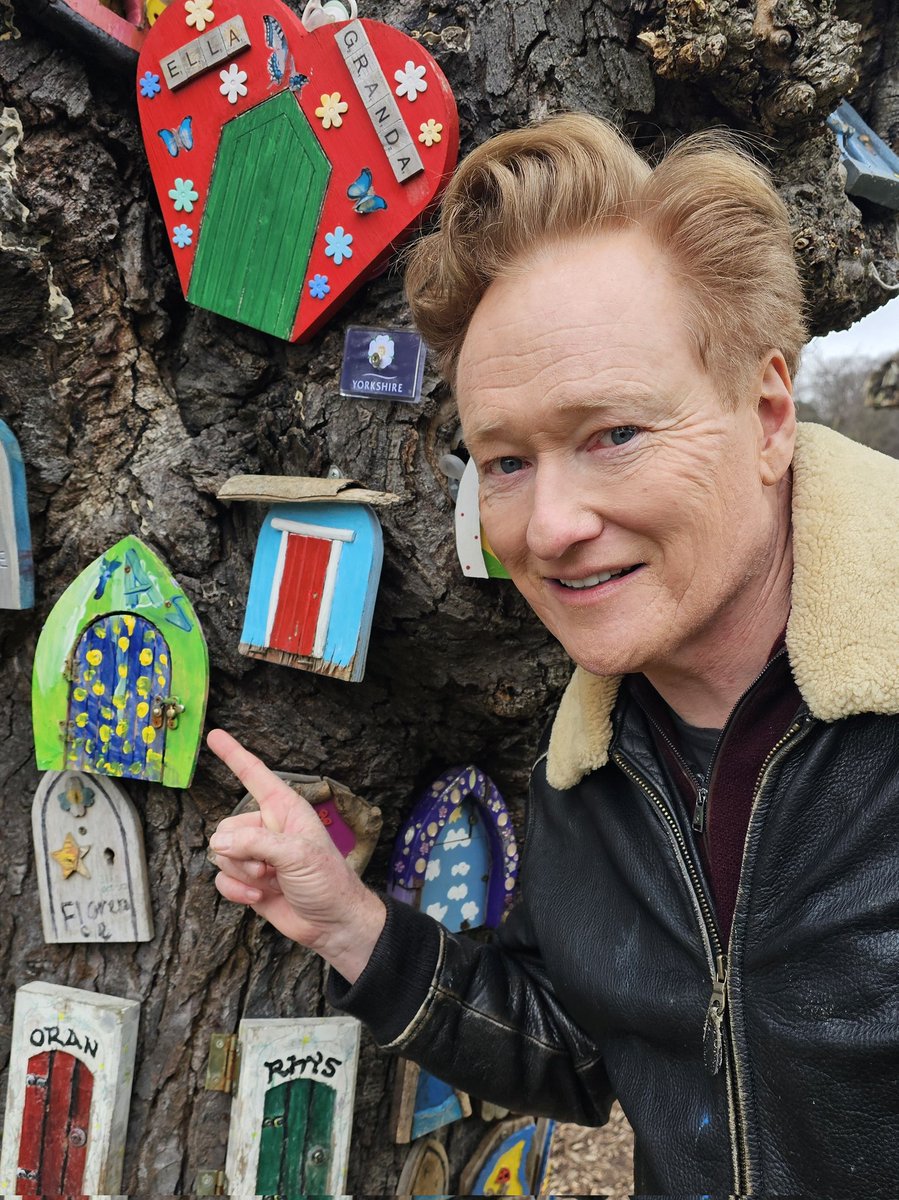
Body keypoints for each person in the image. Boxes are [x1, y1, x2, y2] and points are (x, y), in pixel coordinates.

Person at [207, 113, 899, 1193]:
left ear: (765, 413)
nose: (547, 526)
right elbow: (595, 1052)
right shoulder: (590, 763)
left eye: (612, 433)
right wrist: (349, 923)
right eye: (506, 461)